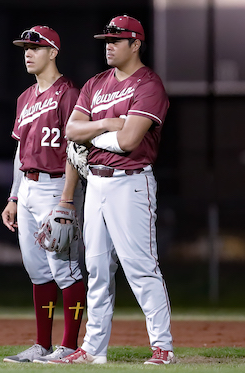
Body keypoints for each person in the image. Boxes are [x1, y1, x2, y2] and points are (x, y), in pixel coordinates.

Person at [48, 15, 175, 365]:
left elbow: (130, 140)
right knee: (98, 270)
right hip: (97, 185)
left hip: (131, 183)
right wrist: (106, 124)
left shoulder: (149, 84)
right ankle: (93, 349)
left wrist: (95, 135)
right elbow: (73, 132)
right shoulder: (94, 84)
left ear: (136, 44)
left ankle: (163, 347)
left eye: (117, 40)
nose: (109, 45)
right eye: (106, 39)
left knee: (141, 267)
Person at [0, 26, 86, 364]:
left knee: (65, 269)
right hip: (29, 188)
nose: (28, 52)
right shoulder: (24, 98)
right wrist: (14, 196)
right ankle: (42, 344)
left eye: (36, 47)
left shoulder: (69, 94)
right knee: (38, 271)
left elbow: (75, 149)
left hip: (56, 187)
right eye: (25, 48)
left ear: (53, 52)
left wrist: (67, 199)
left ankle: (68, 345)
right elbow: (20, 152)